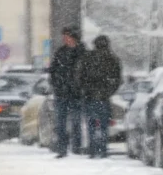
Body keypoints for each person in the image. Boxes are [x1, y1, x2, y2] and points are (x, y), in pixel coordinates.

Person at [79, 35, 122, 158]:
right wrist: (109, 91)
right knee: (103, 125)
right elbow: (117, 79)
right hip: (104, 97)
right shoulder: (112, 59)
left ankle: (92, 149)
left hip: (90, 96)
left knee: (92, 124)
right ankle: (102, 150)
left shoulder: (88, 58)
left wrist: (85, 89)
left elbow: (80, 76)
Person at [49, 26, 86, 158]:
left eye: (67, 36)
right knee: (60, 122)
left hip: (76, 94)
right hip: (62, 93)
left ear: (73, 38)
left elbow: (85, 73)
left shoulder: (82, 53)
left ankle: (76, 148)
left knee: (76, 121)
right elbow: (53, 71)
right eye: (64, 36)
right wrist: (57, 85)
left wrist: (80, 87)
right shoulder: (60, 52)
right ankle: (62, 148)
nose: (65, 39)